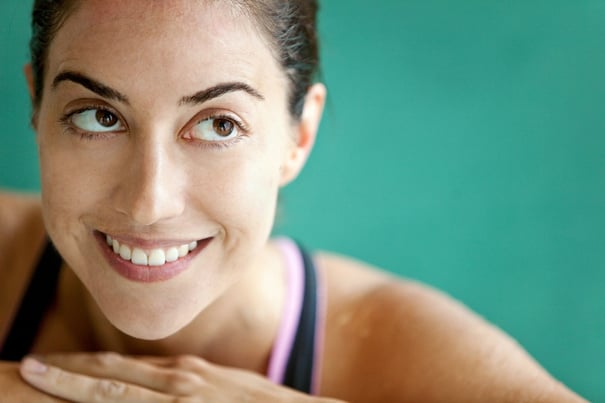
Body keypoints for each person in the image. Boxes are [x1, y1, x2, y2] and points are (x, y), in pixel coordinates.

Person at [0, 0, 587, 401]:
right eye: (98, 116)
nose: (148, 203)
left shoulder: (386, 345)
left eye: (218, 125)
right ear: (36, 108)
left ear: (298, 136)